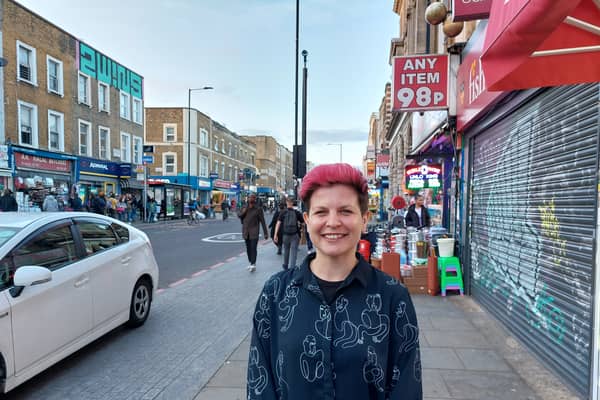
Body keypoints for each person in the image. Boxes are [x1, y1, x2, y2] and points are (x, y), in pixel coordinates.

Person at [247, 163, 422, 399]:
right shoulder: (275, 293)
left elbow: (406, 388)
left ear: (364, 219)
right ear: (307, 220)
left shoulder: (392, 297)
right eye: (321, 212)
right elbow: (260, 383)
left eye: (345, 211)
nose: (333, 222)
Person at [238, 194, 268, 272]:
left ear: (255, 199)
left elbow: (263, 222)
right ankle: (251, 262)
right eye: (249, 197)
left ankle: (253, 264)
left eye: (252, 198)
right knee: (248, 248)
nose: (250, 199)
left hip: (254, 232)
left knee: (253, 248)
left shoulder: (258, 209)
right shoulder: (244, 207)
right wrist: (244, 211)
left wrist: (265, 233)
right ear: (248, 199)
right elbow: (239, 215)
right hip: (246, 232)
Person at [273, 196, 304, 270]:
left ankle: (285, 267)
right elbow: (303, 223)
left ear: (286, 203)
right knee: (294, 253)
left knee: (286, 251)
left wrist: (275, 234)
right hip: (295, 235)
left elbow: (278, 223)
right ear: (292, 203)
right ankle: (292, 269)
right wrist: (300, 226)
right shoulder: (297, 213)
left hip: (285, 235)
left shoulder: (283, 212)